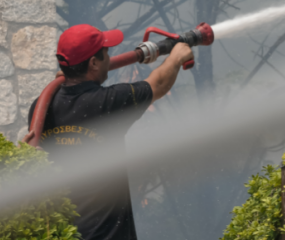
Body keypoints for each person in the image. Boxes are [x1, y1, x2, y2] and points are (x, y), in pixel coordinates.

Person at [27, 23, 193, 240]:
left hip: (62, 233)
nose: (109, 57)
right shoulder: (106, 103)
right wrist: (177, 56)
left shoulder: (41, 106)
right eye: (106, 53)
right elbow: (158, 84)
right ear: (94, 63)